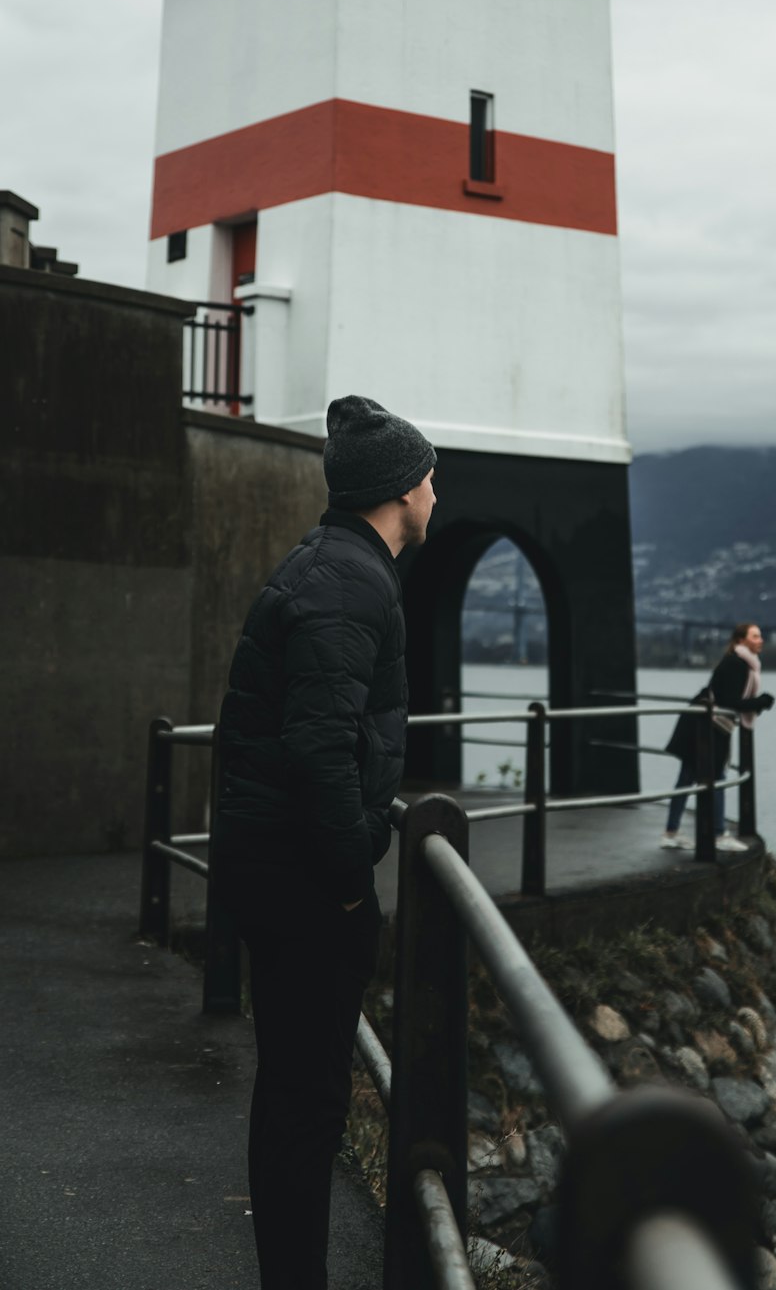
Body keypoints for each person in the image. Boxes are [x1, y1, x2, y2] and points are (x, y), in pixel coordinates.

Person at [213, 394, 436, 1290]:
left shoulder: (335, 565)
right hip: (307, 885)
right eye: (428, 475)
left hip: (279, 873)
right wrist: (351, 874)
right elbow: (318, 746)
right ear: (397, 491)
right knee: (306, 1105)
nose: (435, 488)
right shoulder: (349, 582)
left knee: (294, 1099)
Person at [661, 622, 775, 853]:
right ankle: (717, 835)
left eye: (760, 636)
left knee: (689, 778)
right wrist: (761, 701)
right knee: (716, 778)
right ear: (740, 640)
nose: (760, 640)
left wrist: (758, 702)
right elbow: (728, 701)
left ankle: (671, 833)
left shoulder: (741, 663)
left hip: (703, 724)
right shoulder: (737, 664)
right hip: (706, 727)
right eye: (755, 636)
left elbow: (727, 699)